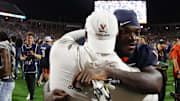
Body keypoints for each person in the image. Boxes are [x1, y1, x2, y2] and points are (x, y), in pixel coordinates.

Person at [44, 9, 162, 101]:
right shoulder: (88, 47)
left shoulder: (143, 51)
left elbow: (155, 82)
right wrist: (48, 94)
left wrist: (109, 71)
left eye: (137, 32)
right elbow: (59, 74)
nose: (133, 38)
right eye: (125, 31)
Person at [20, 32, 41, 101]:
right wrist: (24, 58)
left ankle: (31, 97)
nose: (29, 40)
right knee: (28, 83)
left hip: (33, 68)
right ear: (26, 39)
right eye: (28, 38)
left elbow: (40, 56)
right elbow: (21, 57)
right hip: (26, 67)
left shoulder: (36, 47)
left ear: (33, 39)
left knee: (32, 83)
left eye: (31, 38)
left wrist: (34, 54)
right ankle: (30, 93)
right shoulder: (23, 46)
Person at [0, 32, 15, 101]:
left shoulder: (2, 47)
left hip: (4, 82)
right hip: (9, 81)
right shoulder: (9, 46)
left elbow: (5, 67)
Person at [170, 36, 180, 101]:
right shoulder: (175, 48)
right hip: (179, 74)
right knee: (179, 94)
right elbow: (174, 61)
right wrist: (178, 72)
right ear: (178, 39)